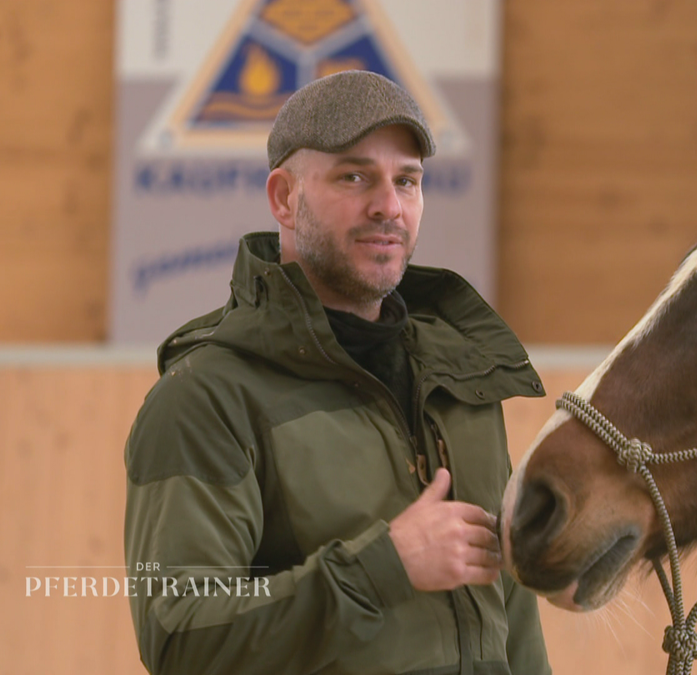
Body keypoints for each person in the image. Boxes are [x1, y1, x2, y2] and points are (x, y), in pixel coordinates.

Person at [123, 70, 552, 675]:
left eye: (407, 180)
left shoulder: (462, 385)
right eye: (355, 177)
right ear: (283, 198)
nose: (389, 206)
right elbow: (181, 639)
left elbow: (516, 629)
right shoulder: (204, 399)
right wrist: (385, 568)